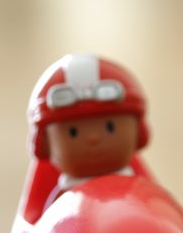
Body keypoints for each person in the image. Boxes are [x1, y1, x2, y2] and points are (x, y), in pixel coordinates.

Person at [21, 53, 152, 221]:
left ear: (139, 133)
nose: (93, 138)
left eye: (109, 127)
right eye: (73, 132)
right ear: (44, 144)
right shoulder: (61, 201)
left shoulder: (141, 191)